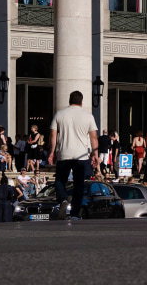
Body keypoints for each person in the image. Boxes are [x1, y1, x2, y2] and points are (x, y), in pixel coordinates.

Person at [48, 89, 99, 221]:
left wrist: (52, 152)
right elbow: (94, 137)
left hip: (64, 153)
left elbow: (53, 135)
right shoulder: (88, 116)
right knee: (79, 184)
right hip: (81, 155)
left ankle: (63, 200)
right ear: (81, 102)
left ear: (69, 101)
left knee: (60, 180)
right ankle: (75, 213)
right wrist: (95, 154)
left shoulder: (59, 114)